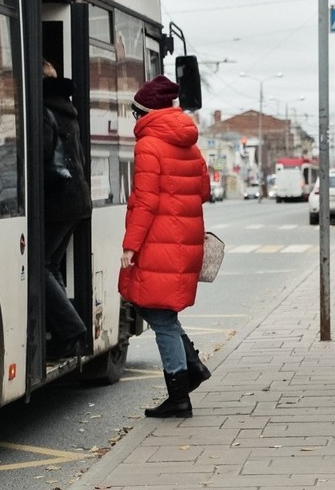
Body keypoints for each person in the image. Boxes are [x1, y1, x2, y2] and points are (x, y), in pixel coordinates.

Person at [120, 75, 212, 418]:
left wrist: (130, 246)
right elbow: (204, 191)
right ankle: (192, 367)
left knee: (159, 316)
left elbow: (145, 201)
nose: (135, 119)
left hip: (159, 241)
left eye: (136, 113)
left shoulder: (149, 144)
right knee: (159, 309)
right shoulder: (189, 143)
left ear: (146, 112)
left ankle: (179, 393)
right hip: (184, 239)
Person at [42, 60, 90, 359]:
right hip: (76, 200)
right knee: (51, 265)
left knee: (39, 267)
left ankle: (71, 329)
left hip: (58, 202)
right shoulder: (67, 109)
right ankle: (66, 335)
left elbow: (42, 155)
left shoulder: (43, 110)